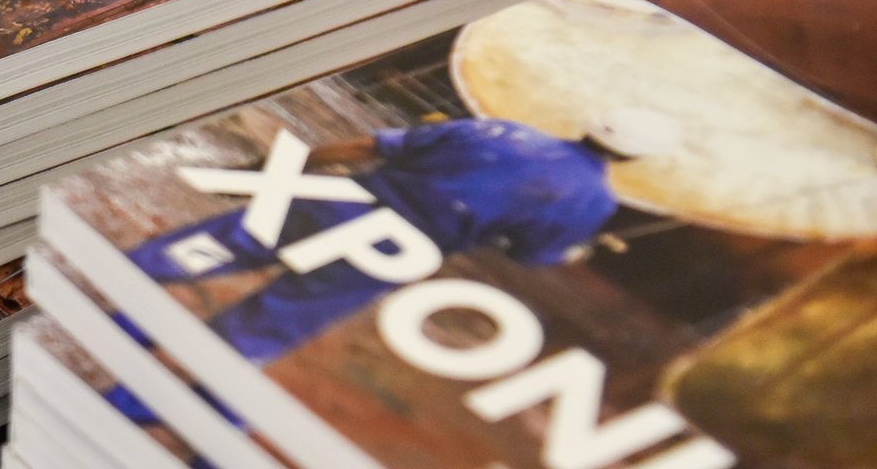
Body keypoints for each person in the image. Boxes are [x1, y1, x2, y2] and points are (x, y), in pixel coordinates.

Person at [128, 109, 681, 363]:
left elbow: (365, 147)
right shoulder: (594, 202)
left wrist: (267, 170)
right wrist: (570, 250)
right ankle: (138, 402)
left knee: (197, 252)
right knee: (266, 325)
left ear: (593, 122)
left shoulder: (502, 130)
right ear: (636, 157)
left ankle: (111, 308)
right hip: (392, 252)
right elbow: (530, 254)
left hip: (340, 201)